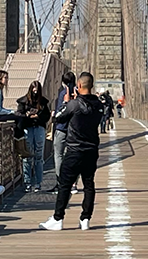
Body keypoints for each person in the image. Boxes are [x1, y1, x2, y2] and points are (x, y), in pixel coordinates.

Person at [40, 72, 102, 231]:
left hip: (75, 150)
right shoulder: (99, 105)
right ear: (91, 85)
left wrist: (66, 103)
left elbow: (58, 118)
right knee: (89, 184)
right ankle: (85, 219)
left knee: (65, 184)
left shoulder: (74, 104)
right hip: (91, 150)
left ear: (79, 86)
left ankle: (58, 218)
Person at [16, 80, 50, 192]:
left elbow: (47, 115)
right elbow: (19, 113)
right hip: (28, 129)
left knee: (38, 156)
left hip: (38, 129)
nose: (35, 91)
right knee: (27, 156)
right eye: (33, 89)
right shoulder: (23, 101)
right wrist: (27, 115)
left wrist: (38, 116)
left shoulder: (43, 102)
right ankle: (28, 182)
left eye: (37, 89)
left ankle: (38, 183)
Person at [46, 71, 77, 193]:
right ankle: (73, 184)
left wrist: (64, 103)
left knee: (58, 155)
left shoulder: (63, 93)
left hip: (62, 128)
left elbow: (59, 113)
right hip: (75, 130)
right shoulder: (78, 93)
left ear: (63, 82)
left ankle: (61, 183)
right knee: (73, 156)